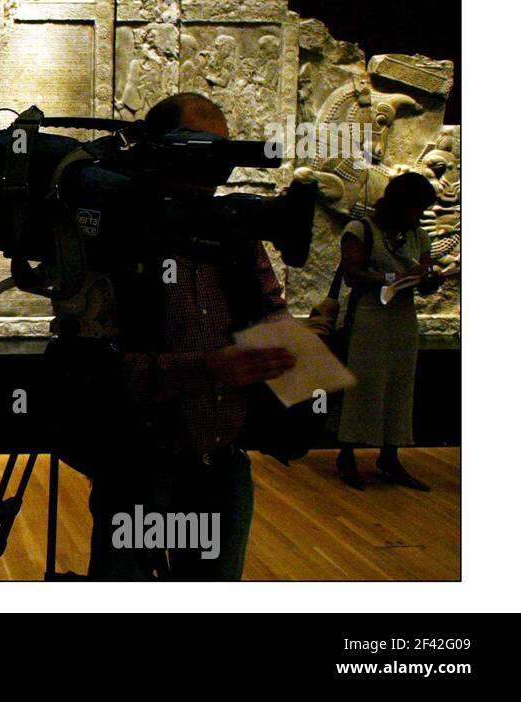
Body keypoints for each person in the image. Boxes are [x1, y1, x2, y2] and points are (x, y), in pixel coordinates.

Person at [86, 92, 296, 581]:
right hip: (138, 470)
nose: (210, 169)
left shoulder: (235, 231)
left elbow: (271, 312)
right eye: (199, 150)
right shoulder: (115, 233)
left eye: (219, 153)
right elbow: (101, 369)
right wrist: (207, 367)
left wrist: (294, 346)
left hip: (222, 467)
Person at [334, 172, 443, 491]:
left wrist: (428, 279)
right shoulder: (361, 229)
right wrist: (396, 276)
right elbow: (352, 276)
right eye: (415, 207)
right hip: (369, 316)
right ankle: (347, 453)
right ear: (399, 203)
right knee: (362, 385)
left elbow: (421, 277)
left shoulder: (417, 235)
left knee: (399, 386)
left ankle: (390, 453)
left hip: (401, 318)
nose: (418, 215)